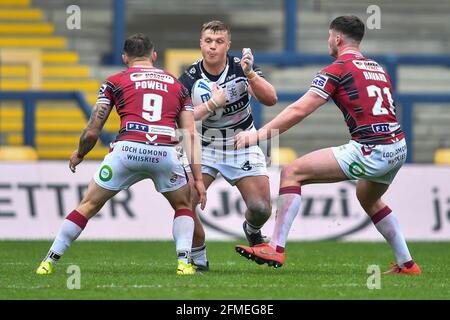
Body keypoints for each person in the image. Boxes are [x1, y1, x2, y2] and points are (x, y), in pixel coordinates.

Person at [234, 16, 421, 275]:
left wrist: (260, 135)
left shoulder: (338, 68)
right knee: (368, 197)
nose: (328, 41)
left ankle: (275, 248)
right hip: (397, 146)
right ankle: (407, 264)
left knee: (292, 172)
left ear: (337, 39)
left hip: (371, 149)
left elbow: (301, 109)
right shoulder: (377, 67)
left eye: (328, 37)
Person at [35, 33, 206, 276]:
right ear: (154, 56)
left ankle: (49, 261)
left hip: (127, 150)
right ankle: (183, 263)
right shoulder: (177, 86)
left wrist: (80, 153)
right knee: (183, 205)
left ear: (125, 57)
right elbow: (189, 133)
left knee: (88, 205)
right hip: (165, 153)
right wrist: (198, 180)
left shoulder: (114, 81)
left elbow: (93, 130)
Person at [178, 20, 278, 271]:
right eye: (208, 41)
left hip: (242, 141)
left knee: (261, 208)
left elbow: (271, 99)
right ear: (201, 43)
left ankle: (252, 229)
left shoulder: (239, 67)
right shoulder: (190, 76)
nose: (213, 47)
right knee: (184, 203)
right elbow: (182, 120)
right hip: (205, 145)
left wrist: (250, 74)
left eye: (219, 42)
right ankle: (198, 257)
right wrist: (212, 104)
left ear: (228, 45)